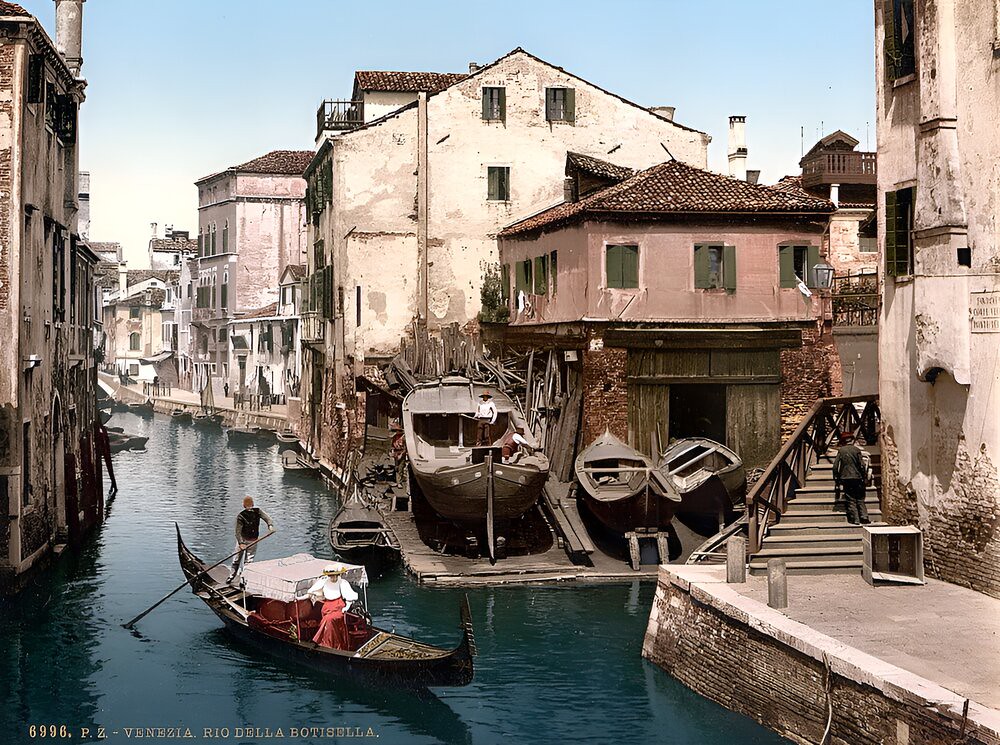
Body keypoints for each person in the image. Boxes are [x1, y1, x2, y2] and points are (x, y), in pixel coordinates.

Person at [306, 564, 359, 649]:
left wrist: (346, 607)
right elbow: (312, 591)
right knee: (327, 621)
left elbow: (349, 597)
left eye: (335, 576)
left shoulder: (342, 583)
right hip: (327, 607)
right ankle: (328, 643)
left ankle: (319, 640)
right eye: (331, 576)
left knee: (329, 620)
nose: (333, 578)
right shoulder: (324, 582)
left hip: (338, 607)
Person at [227, 496, 275, 582]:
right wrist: (241, 543)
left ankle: (243, 579)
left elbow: (267, 518)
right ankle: (231, 576)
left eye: (250, 506)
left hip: (253, 540)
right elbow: (238, 532)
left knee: (248, 561)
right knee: (237, 559)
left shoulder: (258, 511)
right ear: (244, 506)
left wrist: (270, 526)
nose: (249, 508)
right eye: (248, 506)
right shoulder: (241, 516)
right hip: (243, 539)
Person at [832, 432, 870, 525]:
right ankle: (864, 517)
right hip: (857, 477)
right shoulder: (856, 450)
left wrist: (836, 477)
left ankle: (855, 519)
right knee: (860, 497)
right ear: (852, 440)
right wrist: (864, 476)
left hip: (846, 477)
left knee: (850, 498)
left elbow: (835, 466)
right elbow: (862, 465)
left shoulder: (841, 451)